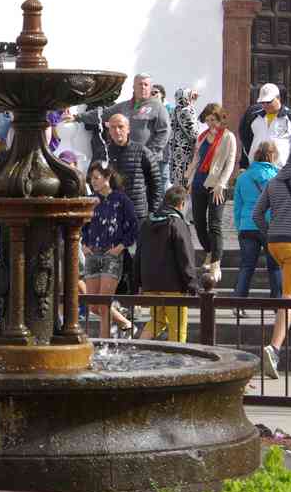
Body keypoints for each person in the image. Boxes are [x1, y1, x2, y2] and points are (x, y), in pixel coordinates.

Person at [253, 144, 291, 378]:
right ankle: (274, 348)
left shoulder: (274, 181)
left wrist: (271, 232)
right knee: (290, 297)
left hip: (276, 243)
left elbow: (257, 214)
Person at [81, 161, 138, 338]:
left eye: (97, 178)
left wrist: (120, 247)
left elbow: (134, 226)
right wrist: (84, 244)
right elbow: (83, 225)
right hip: (92, 254)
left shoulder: (121, 200)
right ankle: (124, 322)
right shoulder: (91, 200)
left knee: (103, 304)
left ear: (108, 178)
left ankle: (103, 342)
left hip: (111, 255)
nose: (93, 182)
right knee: (92, 305)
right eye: (91, 179)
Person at [135, 185, 197, 342]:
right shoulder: (177, 224)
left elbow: (138, 254)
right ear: (181, 204)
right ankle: (177, 363)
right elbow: (185, 257)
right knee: (178, 329)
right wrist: (192, 284)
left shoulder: (147, 223)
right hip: (173, 287)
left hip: (151, 284)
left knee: (157, 320)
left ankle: (137, 347)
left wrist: (137, 283)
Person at [185, 103, 236, 284]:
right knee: (198, 223)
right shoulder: (202, 136)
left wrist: (222, 184)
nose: (210, 124)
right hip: (199, 183)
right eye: (207, 121)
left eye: (212, 120)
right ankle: (209, 251)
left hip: (216, 186)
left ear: (220, 118)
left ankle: (215, 262)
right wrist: (188, 179)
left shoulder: (228, 137)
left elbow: (230, 163)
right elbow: (196, 159)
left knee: (214, 224)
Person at [233, 141, 282, 309]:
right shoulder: (277, 177)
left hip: (247, 226)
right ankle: (277, 306)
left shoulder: (243, 177)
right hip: (271, 226)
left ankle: (238, 304)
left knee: (246, 266)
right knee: (275, 267)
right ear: (273, 156)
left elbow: (237, 206)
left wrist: (240, 227)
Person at [105, 113, 163, 224]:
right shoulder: (103, 153)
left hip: (138, 214)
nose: (117, 131)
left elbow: (156, 184)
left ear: (128, 129)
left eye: (120, 127)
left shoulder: (142, 151)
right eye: (113, 127)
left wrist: (153, 211)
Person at [105, 73, 170, 160]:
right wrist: (81, 117)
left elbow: (164, 132)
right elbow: (103, 114)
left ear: (150, 88)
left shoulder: (158, 107)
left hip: (148, 160)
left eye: (146, 85)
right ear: (134, 87)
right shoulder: (125, 105)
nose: (143, 87)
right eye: (140, 84)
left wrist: (149, 153)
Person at [239, 83, 291, 169]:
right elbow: (246, 141)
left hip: (281, 170)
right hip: (255, 169)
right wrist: (244, 165)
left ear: (278, 98)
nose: (265, 105)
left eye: (269, 102)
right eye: (262, 102)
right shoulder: (253, 117)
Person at [169, 88, 199, 188]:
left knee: (177, 182)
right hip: (184, 151)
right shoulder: (187, 111)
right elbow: (194, 133)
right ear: (186, 98)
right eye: (192, 96)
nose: (194, 98)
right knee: (185, 180)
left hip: (175, 150)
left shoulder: (174, 110)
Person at [150, 84, 173, 188]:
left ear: (162, 94)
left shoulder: (169, 109)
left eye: (155, 93)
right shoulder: (147, 108)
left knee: (163, 180)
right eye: (151, 93)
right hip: (150, 152)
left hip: (164, 152)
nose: (152, 95)